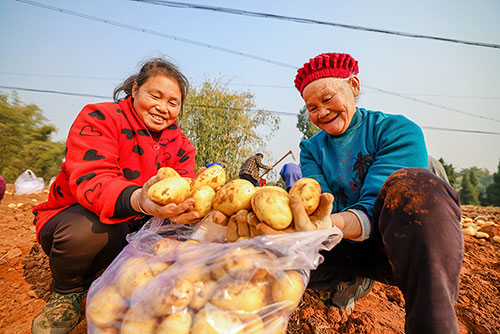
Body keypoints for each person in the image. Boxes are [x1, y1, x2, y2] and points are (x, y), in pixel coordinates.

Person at [292, 52, 462, 333]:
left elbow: (368, 207)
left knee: (416, 186)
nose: (320, 112)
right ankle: (349, 281)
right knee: (278, 251)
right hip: (342, 244)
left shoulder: (396, 131)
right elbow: (318, 203)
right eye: (311, 108)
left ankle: (433, 323)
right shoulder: (311, 149)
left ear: (354, 86)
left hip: (393, 247)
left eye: (326, 99)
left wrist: (330, 223)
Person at [31, 57, 201, 334]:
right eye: (154, 95)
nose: (162, 107)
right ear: (134, 89)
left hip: (140, 222)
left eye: (173, 102)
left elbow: (184, 187)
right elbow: (93, 179)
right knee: (88, 231)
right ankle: (68, 290)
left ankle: (133, 274)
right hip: (78, 215)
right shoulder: (101, 118)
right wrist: (138, 200)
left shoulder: (182, 145)